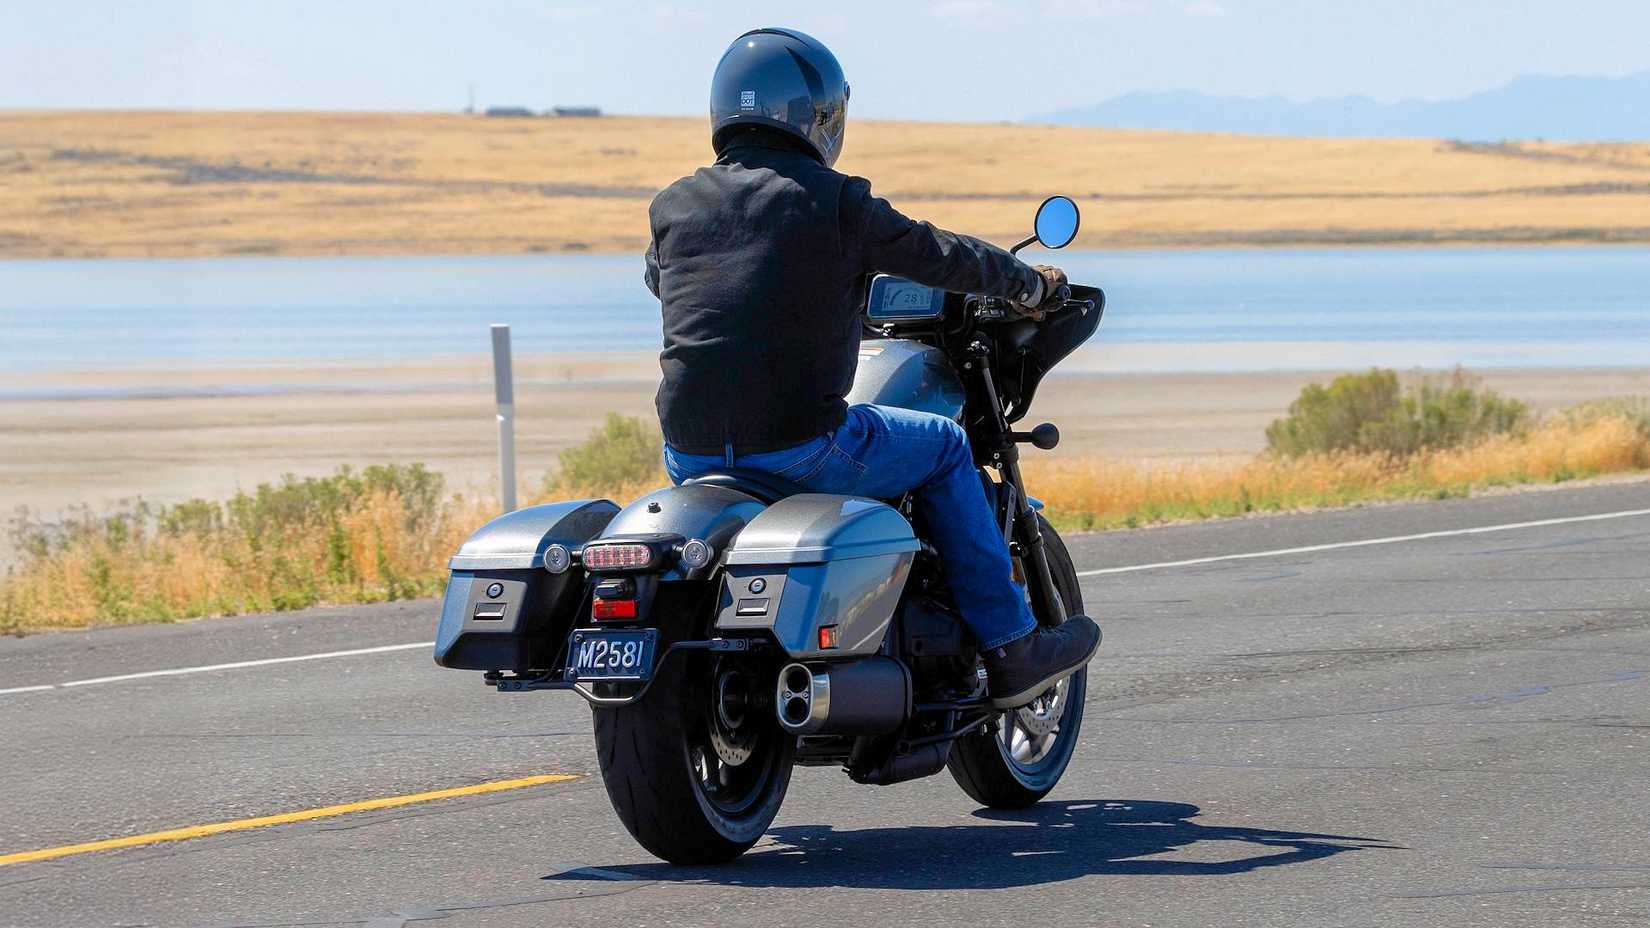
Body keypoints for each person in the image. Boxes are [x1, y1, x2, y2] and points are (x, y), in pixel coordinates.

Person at [643, 27, 1100, 708]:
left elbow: (673, 285)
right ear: (819, 116)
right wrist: (1027, 285)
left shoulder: (674, 205)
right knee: (944, 445)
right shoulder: (834, 201)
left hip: (690, 453)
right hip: (799, 447)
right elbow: (940, 254)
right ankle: (1013, 649)